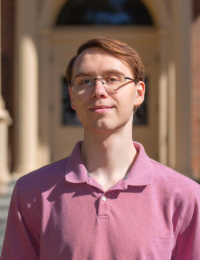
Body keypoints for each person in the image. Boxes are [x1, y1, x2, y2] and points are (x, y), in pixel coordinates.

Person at [1, 37, 200, 260]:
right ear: (72, 97)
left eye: (113, 79)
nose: (98, 90)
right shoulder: (31, 192)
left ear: (139, 93)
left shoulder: (183, 196)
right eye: (85, 81)